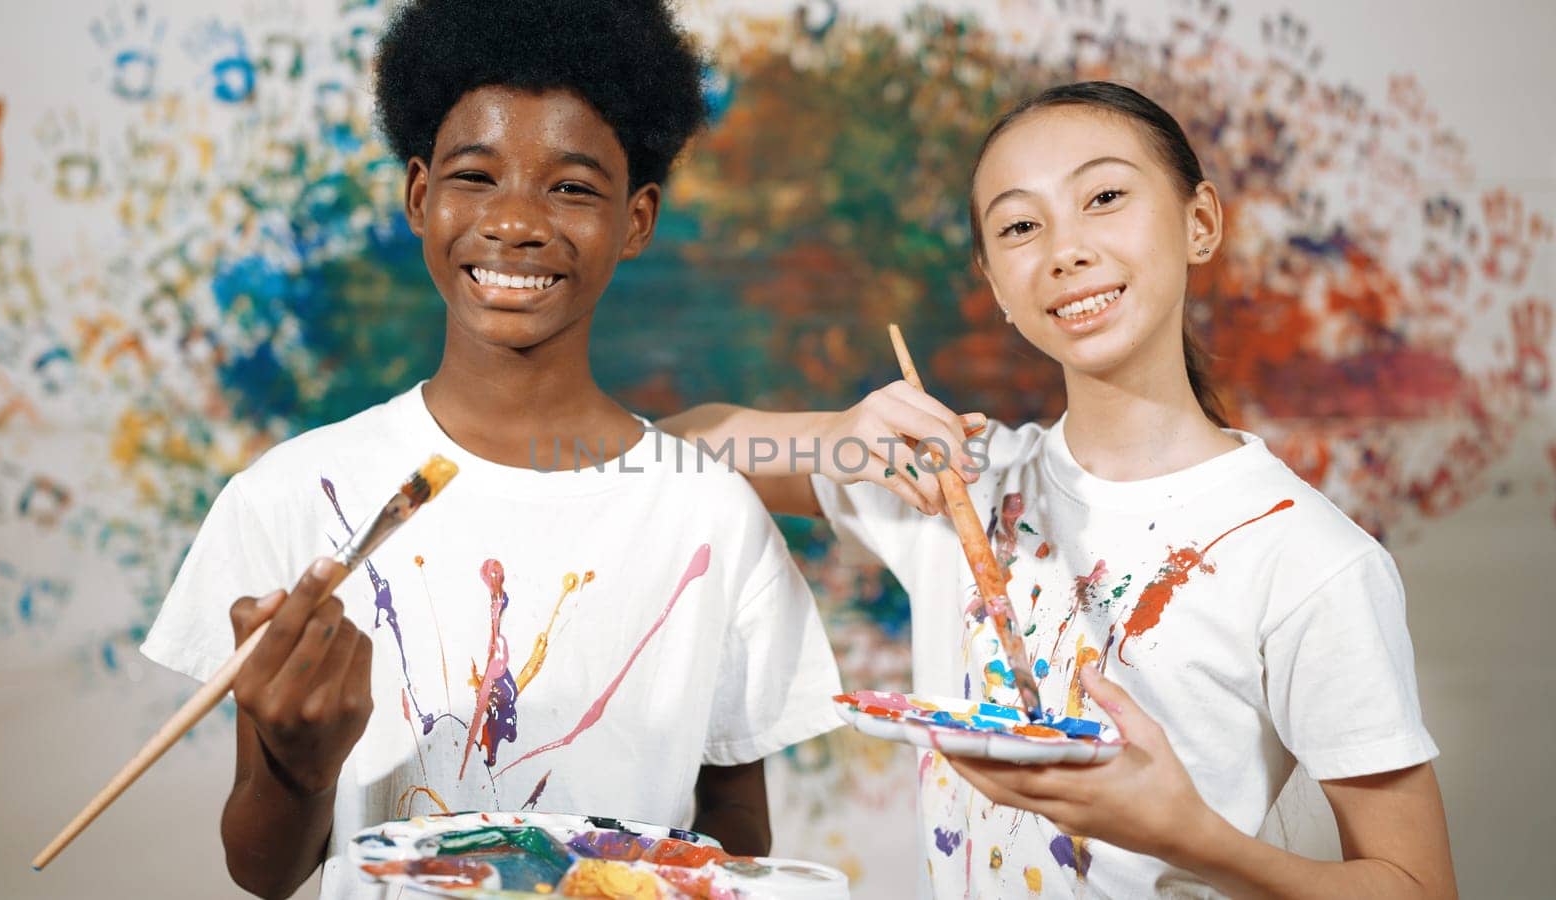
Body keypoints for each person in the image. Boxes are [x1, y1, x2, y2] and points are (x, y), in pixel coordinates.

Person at [662, 81, 1454, 898]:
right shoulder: (958, 481)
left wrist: (1190, 837)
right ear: (997, 287)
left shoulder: (1308, 557)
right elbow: (672, 448)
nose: (1064, 249)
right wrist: (831, 437)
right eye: (1019, 226)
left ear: (1201, 222)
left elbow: (1418, 885)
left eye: (1104, 197)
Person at [140, 2, 842, 897]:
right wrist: (300, 764)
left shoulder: (710, 514)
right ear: (419, 195)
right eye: (476, 176)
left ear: (637, 221)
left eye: (573, 187)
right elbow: (263, 871)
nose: (516, 221)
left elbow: (736, 832)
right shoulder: (294, 497)